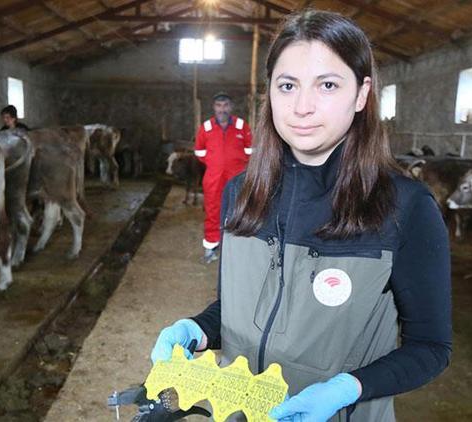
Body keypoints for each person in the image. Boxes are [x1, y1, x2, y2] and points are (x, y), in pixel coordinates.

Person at [150, 10, 451, 422]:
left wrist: (350, 388)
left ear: (361, 95)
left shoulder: (404, 206)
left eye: (327, 85)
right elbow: (238, 308)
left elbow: (431, 347)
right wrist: (199, 329)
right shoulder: (240, 194)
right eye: (287, 85)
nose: (302, 107)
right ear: (269, 92)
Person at [193, 92, 253, 264]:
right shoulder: (206, 128)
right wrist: (215, 164)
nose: (222, 109)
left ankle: (236, 249)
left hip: (238, 179)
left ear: (231, 107)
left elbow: (251, 151)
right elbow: (199, 152)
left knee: (239, 212)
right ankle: (211, 248)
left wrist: (237, 166)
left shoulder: (242, 126)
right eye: (219, 106)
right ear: (214, 107)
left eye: (225, 105)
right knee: (213, 212)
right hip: (214, 179)